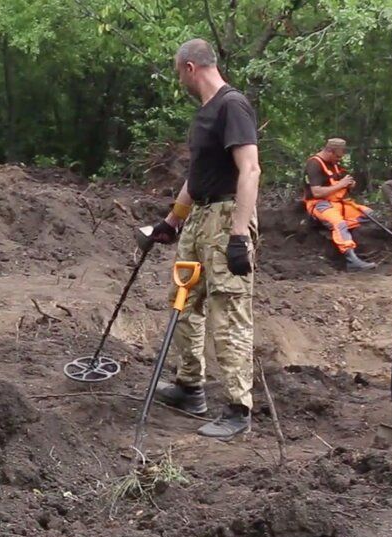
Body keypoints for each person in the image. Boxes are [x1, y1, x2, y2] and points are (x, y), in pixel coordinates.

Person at [144, 38, 260, 440]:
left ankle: (237, 407)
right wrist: (172, 221)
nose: (180, 80)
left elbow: (250, 171)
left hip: (228, 216)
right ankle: (189, 387)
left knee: (229, 311)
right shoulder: (204, 115)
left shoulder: (233, 106)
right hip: (198, 218)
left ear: (190, 67)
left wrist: (239, 234)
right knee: (184, 300)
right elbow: (197, 177)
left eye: (179, 72)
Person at [303, 138, 377, 272]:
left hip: (339, 204)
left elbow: (340, 183)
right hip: (320, 204)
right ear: (330, 151)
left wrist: (349, 185)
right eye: (337, 156)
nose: (339, 159)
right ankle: (351, 260)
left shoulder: (335, 164)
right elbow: (317, 192)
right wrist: (341, 185)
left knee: (369, 214)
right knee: (339, 224)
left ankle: (338, 229)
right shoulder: (314, 164)